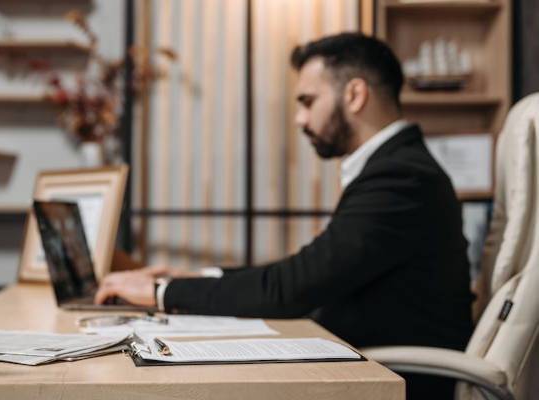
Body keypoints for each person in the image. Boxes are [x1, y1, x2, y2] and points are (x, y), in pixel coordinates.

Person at [95, 33, 474, 399]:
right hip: (363, 365)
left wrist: (162, 293)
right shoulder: (397, 167)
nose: (298, 118)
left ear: (355, 95)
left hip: (392, 382)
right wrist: (194, 277)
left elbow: (293, 287)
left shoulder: (401, 177)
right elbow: (307, 271)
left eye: (308, 101)